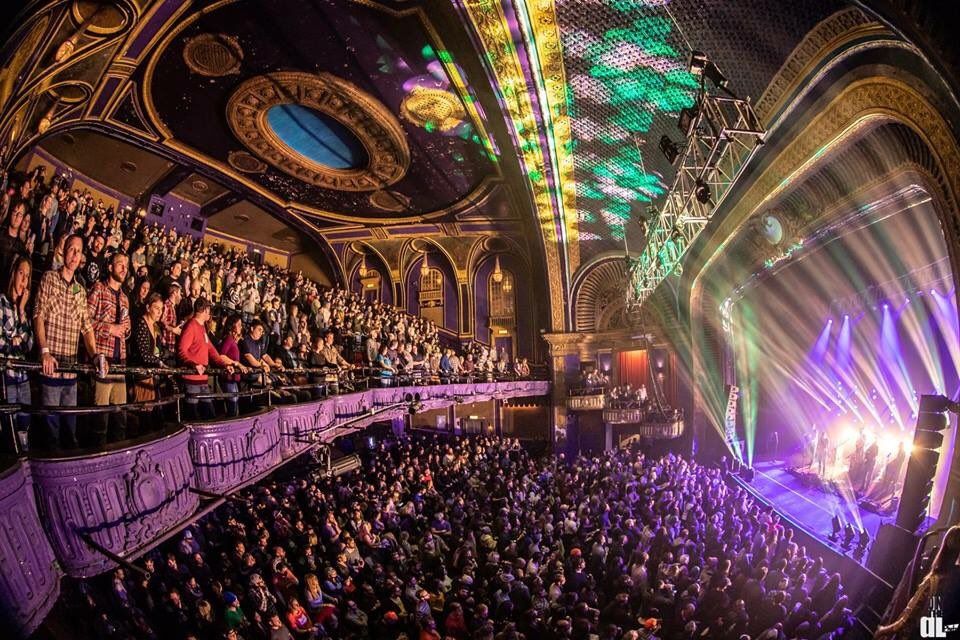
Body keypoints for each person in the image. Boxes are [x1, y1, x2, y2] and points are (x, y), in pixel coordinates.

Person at [34, 234, 108, 449]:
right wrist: (45, 351)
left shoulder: (80, 289)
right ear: (64, 251)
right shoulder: (49, 278)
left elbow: (86, 326)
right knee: (51, 431)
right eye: (72, 249)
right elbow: (38, 315)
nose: (75, 255)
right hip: (51, 367)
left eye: (79, 251)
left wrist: (95, 355)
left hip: (71, 371)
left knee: (70, 430)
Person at [87, 252, 131, 445]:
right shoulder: (99, 289)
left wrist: (125, 330)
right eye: (120, 264)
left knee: (120, 419)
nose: (124, 268)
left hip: (120, 363)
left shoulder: (125, 298)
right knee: (100, 420)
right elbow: (85, 321)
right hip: (103, 361)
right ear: (110, 267)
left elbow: (125, 331)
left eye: (126, 265)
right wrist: (109, 328)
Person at [177, 298, 244, 419]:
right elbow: (182, 350)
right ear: (204, 310)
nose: (210, 313)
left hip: (202, 379)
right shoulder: (191, 326)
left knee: (209, 415)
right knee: (193, 416)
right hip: (192, 379)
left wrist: (225, 365)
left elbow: (212, 350)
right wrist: (193, 364)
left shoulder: (202, 328)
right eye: (209, 310)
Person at [0, 256, 34, 450]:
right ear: (13, 274)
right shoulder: (1, 303)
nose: (24, 279)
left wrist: (21, 310)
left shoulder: (22, 309)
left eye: (28, 276)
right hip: (7, 375)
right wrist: (14, 341)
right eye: (21, 273)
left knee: (24, 423)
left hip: (23, 376)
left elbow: (28, 345)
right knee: (9, 424)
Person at [130, 292, 166, 404]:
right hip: (142, 376)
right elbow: (143, 354)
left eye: (161, 308)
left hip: (152, 374)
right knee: (145, 413)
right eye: (156, 308)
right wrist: (160, 362)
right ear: (148, 307)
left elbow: (159, 350)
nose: (160, 312)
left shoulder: (155, 326)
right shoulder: (141, 323)